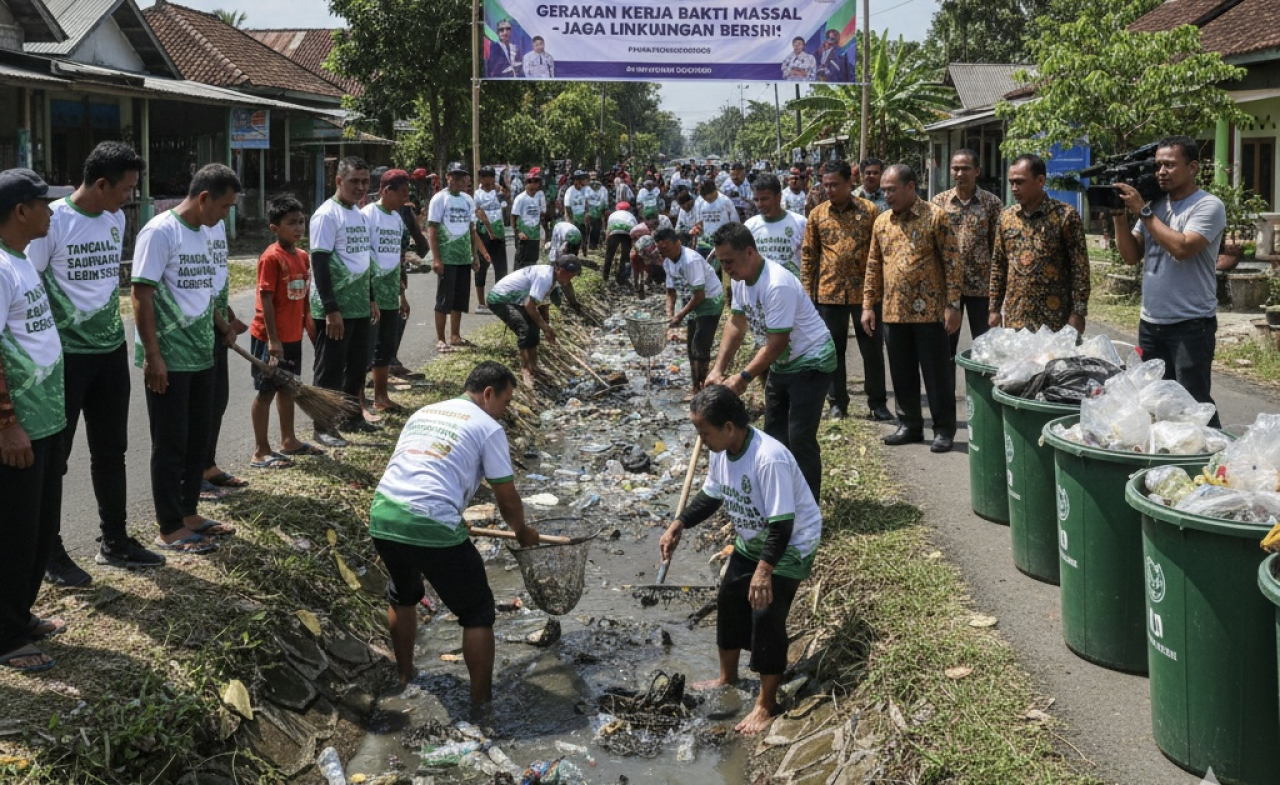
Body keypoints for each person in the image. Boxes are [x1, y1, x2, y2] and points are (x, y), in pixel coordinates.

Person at [27, 142, 160, 585]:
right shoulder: (53, 223)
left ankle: (115, 541)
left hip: (109, 353)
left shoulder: (114, 218)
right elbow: (33, 292)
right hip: (65, 361)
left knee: (111, 451)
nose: (130, 197)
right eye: (125, 189)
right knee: (56, 460)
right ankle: (49, 551)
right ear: (101, 184)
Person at [369, 361, 540, 705]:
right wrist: (522, 531)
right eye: (505, 403)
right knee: (477, 612)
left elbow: (421, 471)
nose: (504, 413)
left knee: (403, 594)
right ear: (488, 393)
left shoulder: (425, 412)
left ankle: (406, 675)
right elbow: (506, 497)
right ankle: (482, 705)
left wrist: (452, 516)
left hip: (383, 515)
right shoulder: (488, 427)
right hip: (429, 520)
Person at [659, 385, 822, 734]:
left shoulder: (768, 458)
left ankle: (766, 703)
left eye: (704, 432)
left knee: (766, 612)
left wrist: (764, 572)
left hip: (791, 542)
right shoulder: (721, 451)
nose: (701, 440)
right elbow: (711, 495)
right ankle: (727, 676)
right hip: (752, 538)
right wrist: (678, 524)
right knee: (730, 599)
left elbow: (782, 524)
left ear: (729, 427)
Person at [132, 163, 240, 554]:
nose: (227, 214)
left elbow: (204, 293)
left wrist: (222, 325)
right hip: (170, 358)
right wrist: (153, 356)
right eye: (225, 206)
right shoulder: (161, 232)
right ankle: (168, 526)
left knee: (197, 436)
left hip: (201, 353)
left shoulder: (204, 232)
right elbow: (141, 295)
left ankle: (190, 511)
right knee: (171, 441)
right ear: (205, 197)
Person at [0, 169, 73, 672]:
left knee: (40, 528)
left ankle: (20, 615)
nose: (52, 211)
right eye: (44, 204)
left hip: (46, 419)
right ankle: (5, 637)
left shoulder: (22, 260)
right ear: (21, 211)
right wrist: (6, 423)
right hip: (19, 424)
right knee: (13, 531)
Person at [706, 224, 835, 499]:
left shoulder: (776, 283)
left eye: (729, 261)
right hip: (783, 363)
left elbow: (777, 343)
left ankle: (808, 507)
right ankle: (780, 497)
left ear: (749, 252)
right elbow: (736, 324)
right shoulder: (741, 281)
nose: (726, 268)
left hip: (812, 360)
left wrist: (742, 378)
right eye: (722, 262)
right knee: (774, 435)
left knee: (800, 436)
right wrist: (718, 369)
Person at [1112, 135, 1227, 428]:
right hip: (1151, 323)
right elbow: (1130, 255)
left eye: (1170, 165)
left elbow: (1183, 248)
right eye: (1159, 165)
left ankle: (1213, 460)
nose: (1162, 171)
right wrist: (1118, 218)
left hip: (1191, 324)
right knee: (1157, 400)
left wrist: (1144, 211)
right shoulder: (1155, 206)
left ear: (1193, 167)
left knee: (1193, 402)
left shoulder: (1208, 206)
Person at [862, 164, 961, 453]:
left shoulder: (935, 217)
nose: (887, 195)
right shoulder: (881, 222)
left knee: (937, 374)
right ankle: (909, 425)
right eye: (884, 190)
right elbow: (873, 265)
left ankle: (943, 429)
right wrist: (868, 305)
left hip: (930, 313)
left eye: (892, 189)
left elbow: (953, 264)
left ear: (910, 187)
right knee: (902, 373)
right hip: (893, 312)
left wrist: (952, 304)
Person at [800, 162, 891, 422]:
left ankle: (877, 403)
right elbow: (809, 256)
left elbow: (879, 252)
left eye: (834, 185)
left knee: (872, 350)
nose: (829, 190)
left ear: (849, 184)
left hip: (866, 294)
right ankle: (837, 402)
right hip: (828, 293)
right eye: (825, 185)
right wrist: (807, 293)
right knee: (833, 350)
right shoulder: (817, 215)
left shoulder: (869, 210)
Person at [309, 157, 377, 447]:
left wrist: (371, 298)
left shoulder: (360, 215)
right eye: (354, 182)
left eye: (365, 182)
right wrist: (330, 309)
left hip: (359, 306)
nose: (360, 188)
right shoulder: (326, 215)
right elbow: (320, 263)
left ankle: (352, 417)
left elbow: (364, 260)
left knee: (358, 365)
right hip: (335, 309)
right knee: (330, 370)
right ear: (338, 181)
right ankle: (323, 427)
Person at [248, 196, 319, 470]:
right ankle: (260, 450)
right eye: (291, 223)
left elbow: (303, 300)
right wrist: (273, 340)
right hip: (270, 339)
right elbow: (265, 299)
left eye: (301, 222)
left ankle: (288, 440)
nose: (299, 228)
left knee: (288, 387)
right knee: (266, 392)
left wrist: (309, 329)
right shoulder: (271, 258)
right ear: (275, 228)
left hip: (292, 337)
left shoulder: (302, 257)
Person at [988, 154, 1090, 333]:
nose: (1014, 188)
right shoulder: (1006, 218)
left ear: (1040, 180)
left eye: (1020, 182)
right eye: (1011, 182)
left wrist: (1078, 312)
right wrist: (994, 309)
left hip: (1055, 319)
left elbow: (1080, 268)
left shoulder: (1064, 216)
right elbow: (999, 265)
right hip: (1016, 319)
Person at [931, 149, 1003, 361]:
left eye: (965, 169)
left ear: (977, 171)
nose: (960, 173)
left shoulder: (991, 204)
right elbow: (933, 246)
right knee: (945, 347)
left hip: (981, 287)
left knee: (985, 346)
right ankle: (946, 394)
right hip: (947, 288)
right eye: (956, 168)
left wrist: (998, 291)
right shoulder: (939, 203)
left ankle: (982, 392)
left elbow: (998, 248)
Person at [199, 186, 247, 498]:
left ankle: (208, 464)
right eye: (225, 205)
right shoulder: (192, 229)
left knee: (218, 399)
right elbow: (197, 286)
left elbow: (216, 277)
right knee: (200, 406)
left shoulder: (216, 226)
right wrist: (221, 323)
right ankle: (193, 476)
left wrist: (229, 316)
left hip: (218, 322)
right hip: (198, 329)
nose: (227, 213)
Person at [363, 169, 413, 413]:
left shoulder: (397, 219)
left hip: (391, 292)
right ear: (386, 191)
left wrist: (401, 294)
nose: (405, 198)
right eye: (401, 192)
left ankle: (380, 398)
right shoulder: (368, 216)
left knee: (385, 347)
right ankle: (359, 400)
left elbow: (398, 258)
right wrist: (370, 296)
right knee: (365, 348)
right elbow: (362, 258)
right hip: (371, 293)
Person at [487, 258, 582, 387]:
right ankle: (525, 369)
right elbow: (529, 305)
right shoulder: (545, 278)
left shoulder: (554, 279)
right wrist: (546, 328)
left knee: (534, 326)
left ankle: (534, 366)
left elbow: (543, 304)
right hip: (500, 298)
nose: (570, 277)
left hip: (518, 299)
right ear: (558, 269)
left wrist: (544, 325)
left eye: (573, 275)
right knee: (524, 329)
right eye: (568, 274)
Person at [429, 161, 489, 354]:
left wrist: (475, 255)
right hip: (447, 257)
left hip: (464, 257)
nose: (457, 180)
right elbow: (432, 229)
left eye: (460, 176)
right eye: (453, 176)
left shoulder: (467, 200)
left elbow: (472, 229)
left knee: (459, 300)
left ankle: (455, 335)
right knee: (444, 300)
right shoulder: (439, 199)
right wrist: (436, 258)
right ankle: (440, 338)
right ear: (447, 177)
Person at [657, 228, 724, 394]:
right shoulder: (667, 262)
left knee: (700, 347)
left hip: (710, 301)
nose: (664, 251)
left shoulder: (690, 260)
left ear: (677, 243)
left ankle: (700, 389)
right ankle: (696, 386)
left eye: (667, 247)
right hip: (693, 302)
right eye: (661, 249)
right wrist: (669, 314)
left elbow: (700, 295)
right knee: (690, 349)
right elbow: (670, 292)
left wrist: (680, 315)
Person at [747, 172, 806, 277]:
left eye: (764, 199)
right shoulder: (750, 226)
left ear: (778, 197)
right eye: (756, 200)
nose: (760, 204)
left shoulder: (800, 223)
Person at [472, 166, 508, 314]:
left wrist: (503, 192)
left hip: (499, 232)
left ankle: (498, 299)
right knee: (482, 267)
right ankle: (481, 303)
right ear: (481, 179)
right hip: (484, 233)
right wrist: (489, 230)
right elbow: (479, 212)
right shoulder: (478, 194)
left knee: (501, 267)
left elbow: (505, 205)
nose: (489, 179)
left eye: (492, 176)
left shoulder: (498, 191)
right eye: (486, 177)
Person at [692, 178, 740, 265]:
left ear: (715, 191)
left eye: (708, 196)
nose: (706, 198)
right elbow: (699, 222)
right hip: (705, 241)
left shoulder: (725, 201)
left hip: (722, 241)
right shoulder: (699, 201)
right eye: (703, 196)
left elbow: (735, 223)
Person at [510, 172, 544, 269]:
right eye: (532, 181)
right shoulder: (520, 198)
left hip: (535, 236)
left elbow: (539, 216)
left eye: (537, 181)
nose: (535, 184)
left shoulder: (538, 198)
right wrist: (517, 232)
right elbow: (513, 217)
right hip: (523, 237)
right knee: (521, 262)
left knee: (533, 262)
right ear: (527, 183)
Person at [603, 202, 638, 284]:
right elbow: (635, 230)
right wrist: (633, 244)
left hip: (614, 231)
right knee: (625, 256)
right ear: (628, 209)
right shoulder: (631, 215)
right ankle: (621, 278)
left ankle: (605, 275)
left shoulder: (613, 214)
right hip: (627, 232)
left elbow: (608, 231)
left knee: (609, 254)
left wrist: (606, 242)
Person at [586, 176, 607, 252]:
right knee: (587, 229)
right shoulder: (586, 189)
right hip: (588, 211)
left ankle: (594, 245)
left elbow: (604, 202)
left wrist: (602, 212)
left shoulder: (603, 189)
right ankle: (586, 245)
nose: (593, 182)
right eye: (592, 179)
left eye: (594, 179)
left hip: (598, 212)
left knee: (596, 229)